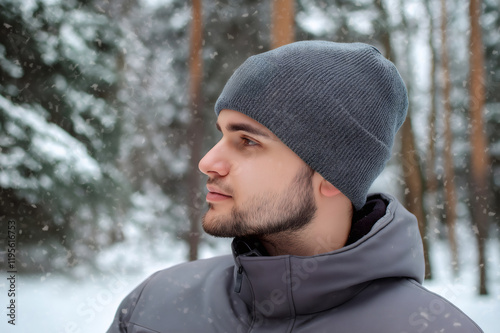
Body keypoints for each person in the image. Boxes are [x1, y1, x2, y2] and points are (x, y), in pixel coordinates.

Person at [108, 41, 483, 333]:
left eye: (248, 141)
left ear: (333, 174)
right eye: (220, 134)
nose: (207, 162)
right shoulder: (153, 306)